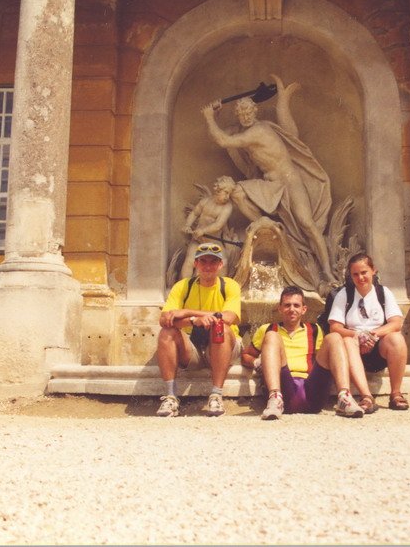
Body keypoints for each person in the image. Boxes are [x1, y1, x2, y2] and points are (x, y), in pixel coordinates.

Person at [201, 74, 335, 284]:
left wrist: (209, 118)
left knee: (307, 224)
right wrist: (216, 115)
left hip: (290, 181)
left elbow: (224, 140)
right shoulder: (249, 130)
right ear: (238, 115)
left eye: (248, 112)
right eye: (241, 113)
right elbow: (219, 136)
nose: (245, 116)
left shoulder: (259, 130)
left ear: (255, 111)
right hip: (270, 184)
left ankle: (326, 270)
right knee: (237, 192)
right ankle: (264, 224)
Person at [242, 286, 364, 420]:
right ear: (280, 308)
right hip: (284, 386)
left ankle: (344, 397)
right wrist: (255, 362)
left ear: (303, 309)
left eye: (296, 305)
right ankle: (275, 398)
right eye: (287, 305)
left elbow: (325, 360)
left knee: (334, 337)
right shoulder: (267, 329)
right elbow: (246, 355)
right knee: (272, 335)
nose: (292, 309)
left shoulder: (315, 330)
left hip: (312, 391)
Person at [156, 243, 242, 417]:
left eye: (213, 262)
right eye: (203, 261)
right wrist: (194, 320)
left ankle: (216, 395)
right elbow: (164, 319)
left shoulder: (230, 285)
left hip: (224, 345)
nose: (208, 266)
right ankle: (170, 397)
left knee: (221, 327)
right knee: (166, 332)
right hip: (192, 347)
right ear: (195, 264)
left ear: (220, 264)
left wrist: (186, 312)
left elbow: (228, 318)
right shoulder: (182, 286)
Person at [328, 253, 409, 412]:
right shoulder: (344, 294)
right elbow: (335, 327)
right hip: (353, 347)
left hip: (378, 347)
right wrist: (358, 336)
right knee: (347, 342)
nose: (360, 278)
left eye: (364, 272)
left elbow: (396, 323)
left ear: (373, 270)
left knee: (396, 339)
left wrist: (372, 335)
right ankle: (366, 396)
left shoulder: (383, 292)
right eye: (355, 274)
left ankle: (396, 393)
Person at [180, 175, 236, 280]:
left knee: (223, 263)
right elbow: (194, 213)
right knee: (190, 261)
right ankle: (184, 286)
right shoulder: (205, 201)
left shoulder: (227, 207)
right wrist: (187, 225)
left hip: (214, 241)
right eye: (226, 192)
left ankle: (221, 287)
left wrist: (203, 230)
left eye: (229, 194)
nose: (227, 197)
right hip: (198, 240)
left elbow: (218, 225)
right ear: (218, 190)